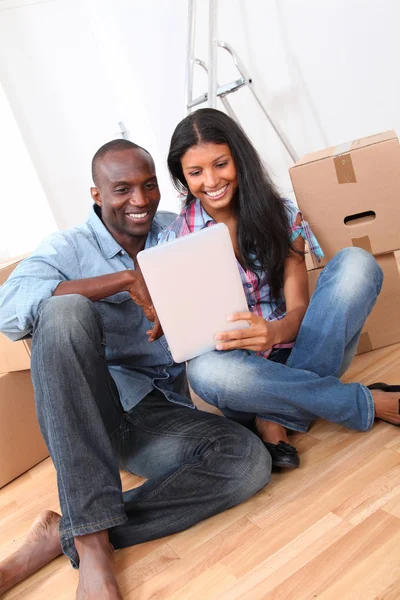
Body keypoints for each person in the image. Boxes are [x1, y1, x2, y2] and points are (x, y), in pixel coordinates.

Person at [0, 139, 271, 599]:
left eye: (149, 186)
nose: (141, 200)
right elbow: (9, 312)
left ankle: (71, 530)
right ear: (96, 194)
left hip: (165, 409)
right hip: (102, 410)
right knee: (65, 311)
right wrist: (126, 279)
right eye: (122, 189)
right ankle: (93, 548)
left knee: (247, 463)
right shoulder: (67, 247)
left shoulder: (181, 232)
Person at [159, 108, 400, 470]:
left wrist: (271, 332)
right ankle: (360, 403)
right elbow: (192, 342)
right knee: (205, 372)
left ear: (238, 158)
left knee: (357, 264)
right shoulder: (174, 242)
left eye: (220, 164)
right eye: (196, 172)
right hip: (244, 378)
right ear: (183, 177)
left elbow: (300, 310)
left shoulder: (281, 214)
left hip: (303, 348)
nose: (211, 181)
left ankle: (273, 417)